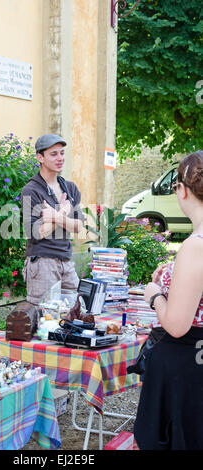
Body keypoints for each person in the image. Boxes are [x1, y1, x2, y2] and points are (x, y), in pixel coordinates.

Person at [133, 150, 203, 450]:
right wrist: (171, 277)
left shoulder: (195, 246)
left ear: (183, 190)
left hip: (184, 367)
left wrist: (155, 295)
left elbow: (176, 324)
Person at [21, 134, 84, 306]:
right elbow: (36, 233)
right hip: (42, 264)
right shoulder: (30, 190)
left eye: (62, 153)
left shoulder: (70, 188)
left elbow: (79, 226)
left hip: (66, 262)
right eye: (54, 154)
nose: (60, 158)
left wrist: (56, 215)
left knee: (75, 313)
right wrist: (64, 212)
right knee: (45, 321)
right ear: (40, 157)